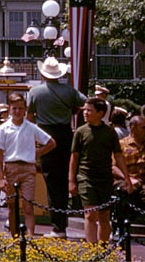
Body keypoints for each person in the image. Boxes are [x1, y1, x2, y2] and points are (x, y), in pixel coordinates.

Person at [26, 57, 86, 238]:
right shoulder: (69, 91)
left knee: (52, 182)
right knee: (66, 177)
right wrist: (72, 111)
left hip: (46, 135)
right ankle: (65, 219)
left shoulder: (35, 92)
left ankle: (58, 226)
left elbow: (29, 117)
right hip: (66, 135)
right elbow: (85, 102)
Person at [69, 98, 134, 243]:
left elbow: (118, 156)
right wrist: (71, 181)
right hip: (86, 178)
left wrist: (127, 178)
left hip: (105, 179)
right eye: (84, 110)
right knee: (90, 215)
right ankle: (92, 250)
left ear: (100, 113)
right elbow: (74, 158)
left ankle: (102, 249)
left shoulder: (109, 132)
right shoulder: (80, 132)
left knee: (104, 217)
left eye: (89, 110)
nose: (85, 113)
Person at [0, 92, 56, 236]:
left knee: (28, 206)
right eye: (14, 108)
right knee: (12, 207)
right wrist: (1, 177)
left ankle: (29, 237)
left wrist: (37, 153)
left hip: (28, 169)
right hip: (10, 168)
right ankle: (14, 238)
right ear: (9, 109)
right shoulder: (4, 128)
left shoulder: (31, 127)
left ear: (25, 109)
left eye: (20, 108)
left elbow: (51, 143)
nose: (17, 111)